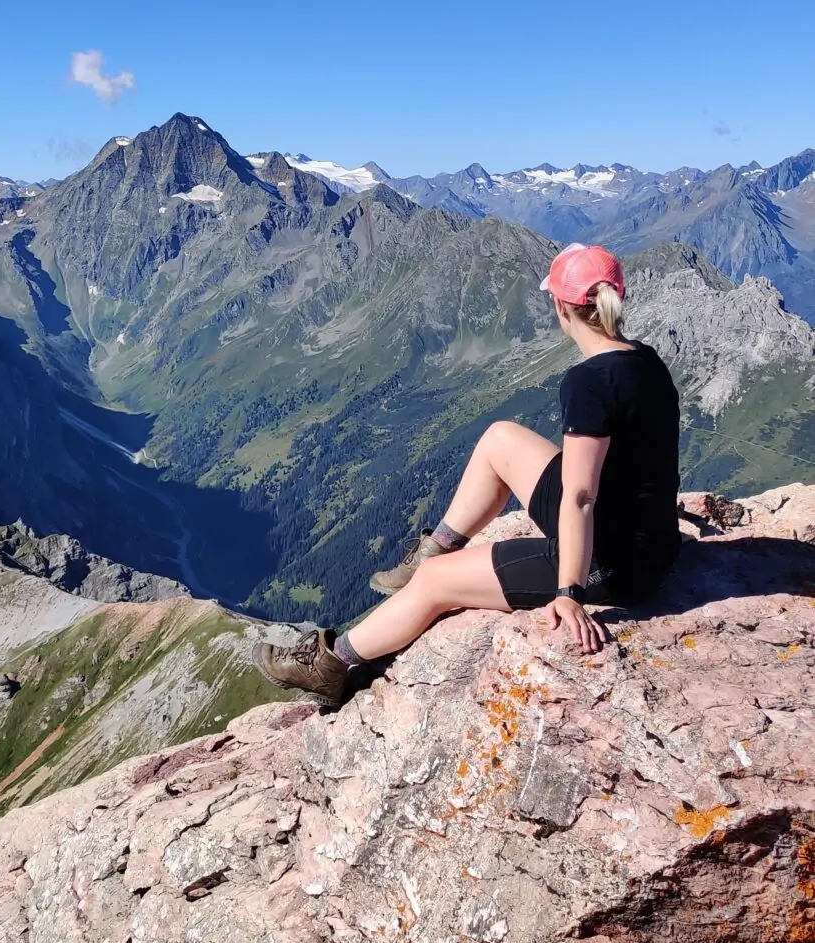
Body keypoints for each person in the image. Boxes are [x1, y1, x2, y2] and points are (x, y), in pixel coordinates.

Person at [258, 243, 681, 708]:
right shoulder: (645, 359)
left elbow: (579, 497)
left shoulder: (587, 381)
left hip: (609, 562)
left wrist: (569, 593)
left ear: (561, 306)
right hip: (644, 540)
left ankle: (329, 666)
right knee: (500, 437)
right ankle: (432, 549)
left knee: (436, 583)